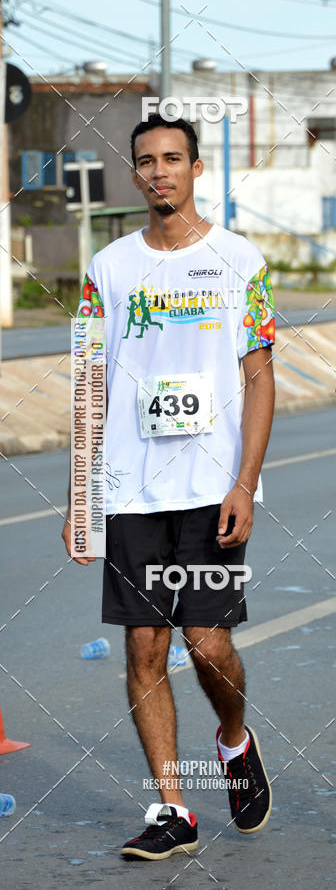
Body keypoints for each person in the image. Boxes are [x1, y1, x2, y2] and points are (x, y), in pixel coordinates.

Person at [62, 113, 276, 859]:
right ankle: (172, 809)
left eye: (173, 159)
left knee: (209, 644)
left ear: (195, 168)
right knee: (145, 650)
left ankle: (234, 738)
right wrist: (80, 494)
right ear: (134, 175)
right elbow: (88, 384)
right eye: (147, 161)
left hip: (212, 486)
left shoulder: (240, 260)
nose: (160, 172)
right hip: (131, 491)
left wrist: (246, 482)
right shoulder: (108, 268)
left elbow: (258, 377)